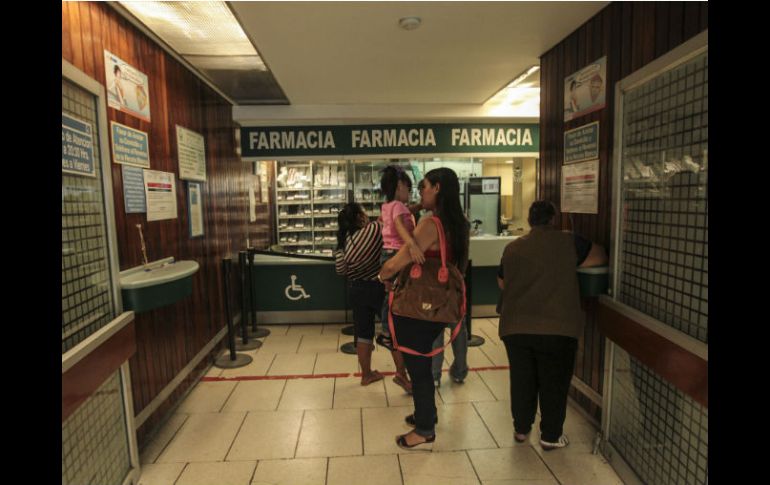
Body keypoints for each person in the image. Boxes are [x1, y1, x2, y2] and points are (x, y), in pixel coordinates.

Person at [497, 200, 607, 450]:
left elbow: (502, 282)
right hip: (557, 328)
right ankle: (550, 435)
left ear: (529, 221)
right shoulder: (570, 242)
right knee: (554, 381)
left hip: (516, 326)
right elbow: (600, 256)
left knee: (522, 380)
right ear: (553, 219)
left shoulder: (512, 247)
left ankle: (521, 429)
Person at [378, 167, 470, 449]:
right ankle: (424, 413)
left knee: (418, 366)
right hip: (439, 305)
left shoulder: (431, 224)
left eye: (424, 187)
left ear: (437, 188)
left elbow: (398, 262)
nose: (421, 192)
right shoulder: (458, 223)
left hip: (418, 307)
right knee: (423, 360)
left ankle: (425, 428)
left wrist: (383, 274)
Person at [375, 165, 423, 394]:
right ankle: (387, 329)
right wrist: (412, 245)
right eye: (408, 188)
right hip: (397, 254)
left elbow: (401, 214)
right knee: (396, 301)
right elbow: (399, 225)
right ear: (399, 186)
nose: (410, 192)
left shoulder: (388, 206)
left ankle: (388, 329)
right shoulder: (398, 207)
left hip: (387, 254)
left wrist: (419, 206)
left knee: (391, 295)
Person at [334, 203, 387, 386]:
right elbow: (387, 223)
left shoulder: (343, 241)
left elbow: (340, 270)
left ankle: (366, 375)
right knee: (392, 331)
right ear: (358, 217)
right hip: (378, 286)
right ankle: (402, 374)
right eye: (363, 212)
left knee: (363, 333)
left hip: (356, 289)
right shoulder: (373, 230)